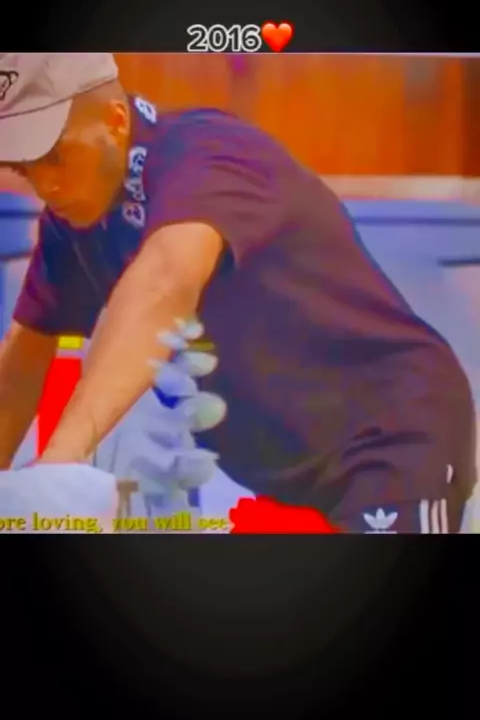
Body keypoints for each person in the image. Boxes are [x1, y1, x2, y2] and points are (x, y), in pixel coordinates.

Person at [0, 52, 476, 533]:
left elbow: (164, 280)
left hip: (393, 436)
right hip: (292, 478)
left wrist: (58, 468)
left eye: (56, 156)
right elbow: (21, 366)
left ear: (115, 119)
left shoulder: (207, 153)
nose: (46, 186)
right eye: (24, 169)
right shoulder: (71, 221)